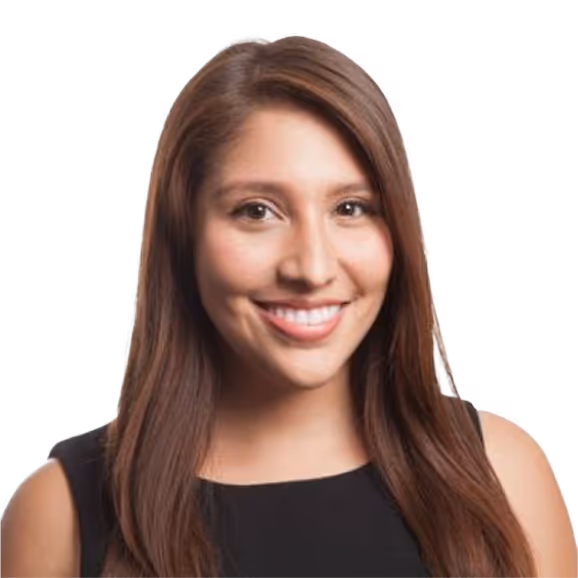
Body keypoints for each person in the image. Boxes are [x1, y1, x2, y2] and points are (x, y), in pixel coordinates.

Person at [1, 34, 576, 578]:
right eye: (257, 211)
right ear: (184, 234)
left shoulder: (506, 475)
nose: (312, 268)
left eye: (351, 208)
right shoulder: (60, 515)